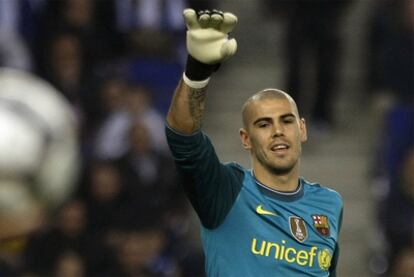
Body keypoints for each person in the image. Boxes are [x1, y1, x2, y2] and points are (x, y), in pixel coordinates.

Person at [165, 9, 343, 276]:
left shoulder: (330, 203)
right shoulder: (225, 190)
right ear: (245, 139)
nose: (278, 131)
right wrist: (197, 73)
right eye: (263, 124)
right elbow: (182, 136)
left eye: (287, 121)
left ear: (302, 130)